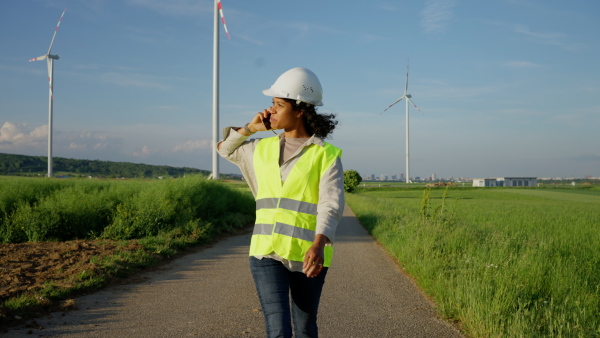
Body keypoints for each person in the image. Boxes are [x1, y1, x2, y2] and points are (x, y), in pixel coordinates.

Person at [217, 67, 344, 338]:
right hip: (266, 252)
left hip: (308, 254)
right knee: (278, 331)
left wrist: (320, 243)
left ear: (300, 110)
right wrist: (251, 128)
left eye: (278, 104)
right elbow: (224, 149)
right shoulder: (259, 149)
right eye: (271, 104)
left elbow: (330, 204)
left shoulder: (325, 155)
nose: (270, 110)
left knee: (306, 329)